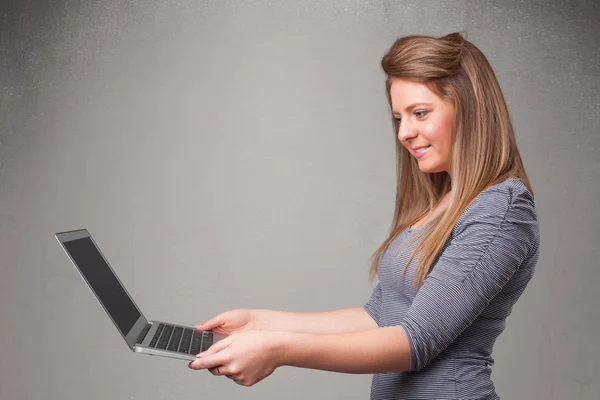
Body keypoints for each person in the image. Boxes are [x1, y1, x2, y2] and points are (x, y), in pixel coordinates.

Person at [188, 32, 540, 400]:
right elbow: (380, 314)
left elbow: (414, 342)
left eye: (420, 113)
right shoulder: (443, 201)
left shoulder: (502, 209)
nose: (404, 133)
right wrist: (261, 323)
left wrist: (278, 349)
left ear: (470, 108)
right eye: (398, 118)